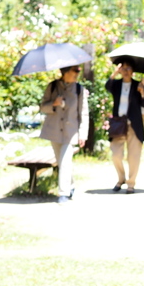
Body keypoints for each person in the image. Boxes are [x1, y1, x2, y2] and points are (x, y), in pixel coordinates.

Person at [39, 65, 89, 203]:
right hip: (54, 130)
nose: (77, 74)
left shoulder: (79, 90)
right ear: (65, 72)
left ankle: (63, 193)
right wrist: (54, 104)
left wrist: (83, 134)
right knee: (61, 162)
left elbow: (83, 114)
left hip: (71, 131)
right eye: (74, 71)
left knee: (66, 160)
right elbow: (43, 107)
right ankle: (71, 186)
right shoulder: (53, 87)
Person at [104, 60, 144, 194]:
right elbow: (107, 86)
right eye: (123, 68)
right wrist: (114, 73)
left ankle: (131, 183)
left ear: (133, 71)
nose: (126, 71)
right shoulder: (117, 84)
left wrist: (142, 92)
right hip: (119, 124)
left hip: (134, 125)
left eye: (129, 68)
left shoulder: (137, 84)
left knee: (133, 156)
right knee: (116, 155)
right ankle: (121, 178)